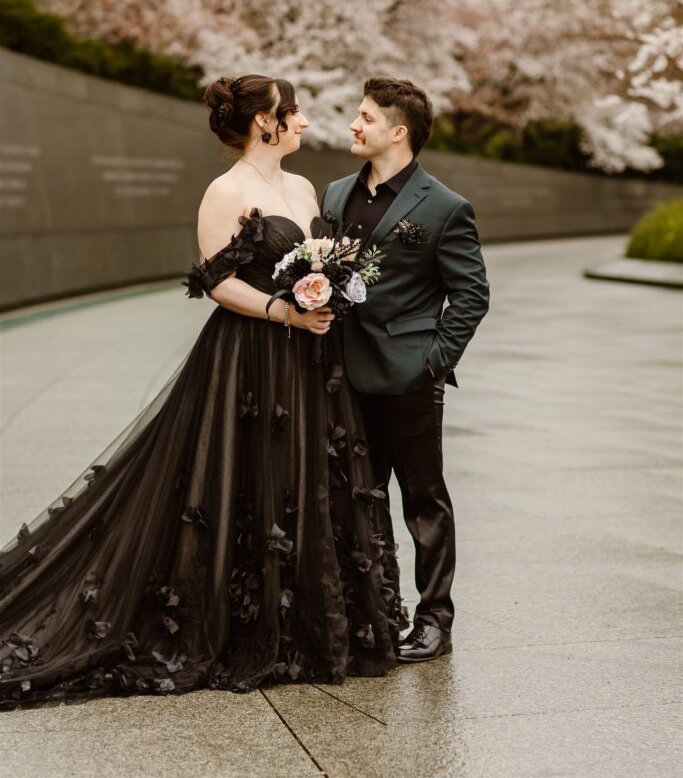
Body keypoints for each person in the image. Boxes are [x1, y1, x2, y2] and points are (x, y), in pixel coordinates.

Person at [0, 74, 407, 710]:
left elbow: (322, 261)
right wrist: (286, 311)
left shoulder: (301, 188)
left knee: (307, 478)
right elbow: (216, 284)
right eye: (290, 112)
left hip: (311, 360)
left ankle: (310, 625)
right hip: (252, 357)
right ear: (263, 124)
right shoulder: (225, 192)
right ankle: (246, 626)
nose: (301, 121)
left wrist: (326, 293)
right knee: (246, 476)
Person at [321, 77, 490, 663]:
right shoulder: (336, 192)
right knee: (353, 497)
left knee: (423, 501)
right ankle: (369, 612)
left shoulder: (444, 207)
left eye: (364, 117)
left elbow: (472, 294)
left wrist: (433, 362)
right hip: (340, 375)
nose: (353, 125)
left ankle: (435, 620)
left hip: (407, 379)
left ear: (398, 132)